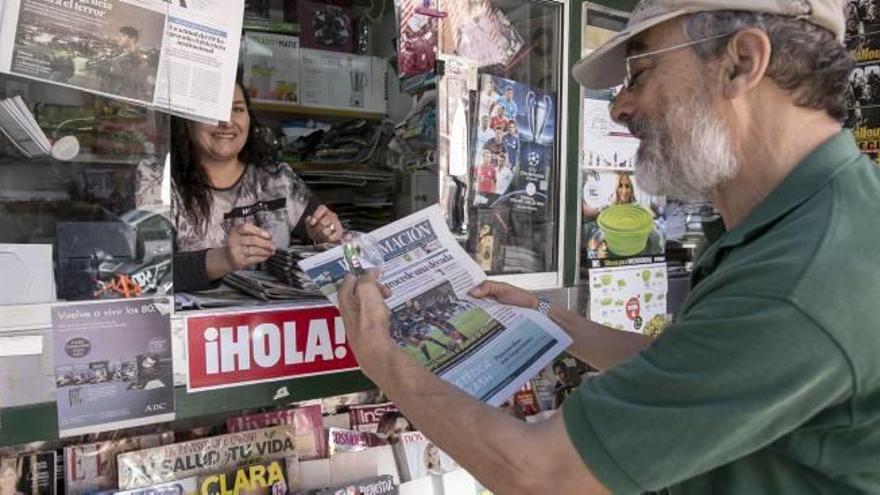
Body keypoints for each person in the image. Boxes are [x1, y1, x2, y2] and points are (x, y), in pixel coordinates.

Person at [337, 1, 880, 493]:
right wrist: (550, 319)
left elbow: (541, 472)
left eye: (639, 74)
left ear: (740, 62)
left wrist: (382, 358)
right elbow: (694, 373)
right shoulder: (808, 224)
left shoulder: (804, 275)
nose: (620, 108)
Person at [172, 81, 343, 292]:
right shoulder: (159, 182)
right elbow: (144, 273)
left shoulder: (277, 178)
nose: (227, 122)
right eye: (213, 111)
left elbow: (324, 230)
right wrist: (224, 258)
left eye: (237, 109)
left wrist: (326, 233)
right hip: (195, 323)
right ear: (188, 120)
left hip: (274, 323)